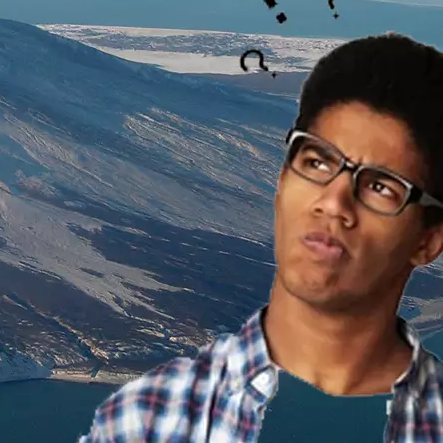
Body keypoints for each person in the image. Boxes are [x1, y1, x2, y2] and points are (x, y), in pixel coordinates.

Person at [80, 32, 443, 441]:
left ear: (428, 241)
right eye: (317, 162)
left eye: (381, 187)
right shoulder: (146, 419)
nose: (333, 202)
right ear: (282, 179)